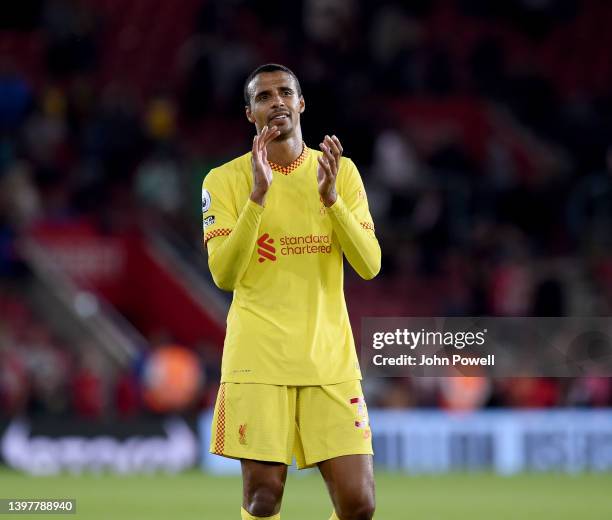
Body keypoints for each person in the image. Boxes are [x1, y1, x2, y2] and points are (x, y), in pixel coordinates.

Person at [202, 63, 380, 520]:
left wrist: (332, 201)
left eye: (285, 92)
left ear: (301, 104)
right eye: (264, 96)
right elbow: (223, 274)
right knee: (264, 498)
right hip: (258, 357)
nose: (276, 101)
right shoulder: (224, 181)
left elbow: (370, 265)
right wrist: (257, 198)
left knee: (359, 505)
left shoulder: (340, 173)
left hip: (330, 359)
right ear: (250, 114)